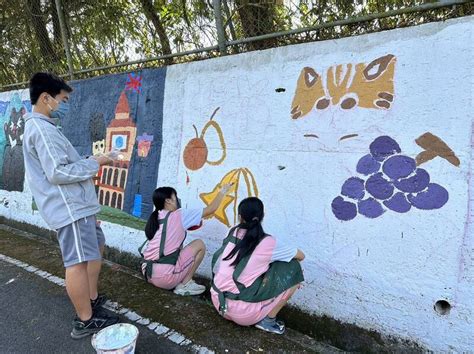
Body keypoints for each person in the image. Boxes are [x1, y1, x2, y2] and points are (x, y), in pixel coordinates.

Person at [23, 72, 118, 339]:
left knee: (95, 247)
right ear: (46, 98)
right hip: (69, 209)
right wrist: (96, 162)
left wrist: (93, 159)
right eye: (63, 99)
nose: (65, 105)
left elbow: (61, 166)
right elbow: (57, 172)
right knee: (76, 262)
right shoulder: (42, 129)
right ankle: (85, 320)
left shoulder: (45, 127)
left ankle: (91, 298)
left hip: (78, 206)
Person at [210, 197, 305, 334]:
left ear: (240, 217)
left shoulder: (232, 231)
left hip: (218, 302)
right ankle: (268, 321)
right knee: (294, 268)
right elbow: (301, 256)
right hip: (243, 314)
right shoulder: (268, 242)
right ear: (262, 216)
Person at [140, 183, 233, 295]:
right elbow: (211, 209)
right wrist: (223, 191)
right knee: (199, 245)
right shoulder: (179, 214)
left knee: (179, 248)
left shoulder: (156, 217)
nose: (177, 199)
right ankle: (185, 284)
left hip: (147, 273)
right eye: (175, 196)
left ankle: (179, 280)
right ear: (168, 201)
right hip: (164, 278)